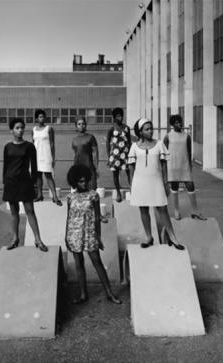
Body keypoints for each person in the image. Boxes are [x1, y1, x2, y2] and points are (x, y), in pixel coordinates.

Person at [64, 164, 121, 305]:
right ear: (74, 182)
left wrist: (98, 236)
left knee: (97, 262)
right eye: (80, 181)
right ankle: (83, 294)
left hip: (89, 233)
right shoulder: (70, 197)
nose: (83, 183)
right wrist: (66, 236)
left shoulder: (93, 196)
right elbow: (68, 217)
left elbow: (96, 217)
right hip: (74, 233)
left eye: (85, 181)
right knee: (79, 264)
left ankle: (109, 293)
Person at [127, 118, 184, 250]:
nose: (150, 131)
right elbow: (131, 167)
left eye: (151, 128)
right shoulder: (134, 147)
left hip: (156, 181)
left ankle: (173, 237)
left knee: (162, 209)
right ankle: (148, 237)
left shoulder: (159, 145)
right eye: (147, 129)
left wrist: (165, 183)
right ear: (140, 132)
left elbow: (164, 166)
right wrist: (131, 184)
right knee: (143, 209)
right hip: (139, 182)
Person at [2, 118, 48, 252]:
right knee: (14, 213)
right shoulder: (7, 147)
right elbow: (5, 166)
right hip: (11, 183)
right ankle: (15, 239)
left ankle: (38, 240)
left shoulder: (29, 146)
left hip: (25, 183)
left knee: (30, 212)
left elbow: (34, 167)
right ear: (12, 130)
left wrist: (34, 184)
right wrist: (5, 182)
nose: (20, 130)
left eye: (22, 127)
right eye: (17, 128)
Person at [163, 114, 206, 220]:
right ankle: (176, 211)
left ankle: (195, 211)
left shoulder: (187, 136)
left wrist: (190, 165)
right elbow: (164, 152)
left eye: (180, 122)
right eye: (176, 122)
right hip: (172, 166)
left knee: (190, 185)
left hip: (184, 165)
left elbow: (189, 151)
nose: (179, 124)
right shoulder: (168, 136)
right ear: (172, 124)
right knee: (174, 187)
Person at [31, 109, 62, 206]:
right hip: (36, 155)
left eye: (43, 116)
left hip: (46, 155)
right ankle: (40, 195)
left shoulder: (49, 128)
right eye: (40, 117)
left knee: (48, 176)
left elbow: (52, 144)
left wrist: (53, 157)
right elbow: (33, 143)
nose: (42, 118)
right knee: (38, 176)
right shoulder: (33, 130)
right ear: (36, 118)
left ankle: (55, 197)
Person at [105, 107, 132, 202]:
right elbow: (107, 143)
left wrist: (131, 154)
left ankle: (132, 190)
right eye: (118, 116)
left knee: (129, 172)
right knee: (115, 174)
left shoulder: (127, 128)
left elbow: (130, 142)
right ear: (114, 117)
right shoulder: (111, 129)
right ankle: (118, 193)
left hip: (126, 154)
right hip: (115, 155)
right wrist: (109, 156)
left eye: (121, 116)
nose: (120, 118)